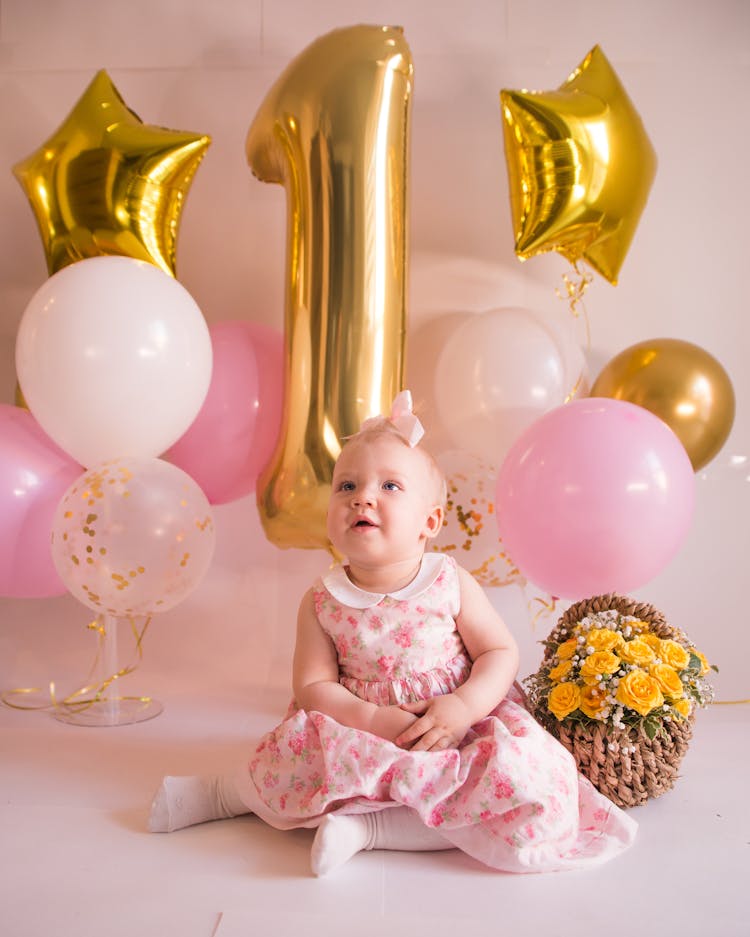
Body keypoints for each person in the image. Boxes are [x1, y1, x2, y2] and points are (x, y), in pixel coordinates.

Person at [149, 391, 637, 875]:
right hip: (361, 723)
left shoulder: (450, 581)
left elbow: (499, 651)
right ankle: (221, 793)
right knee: (295, 762)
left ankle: (368, 830)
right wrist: (370, 718)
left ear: (430, 521)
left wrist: (464, 706)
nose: (362, 496)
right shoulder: (323, 599)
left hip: (452, 725)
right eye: (346, 486)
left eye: (390, 486)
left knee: (517, 777)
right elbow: (314, 687)